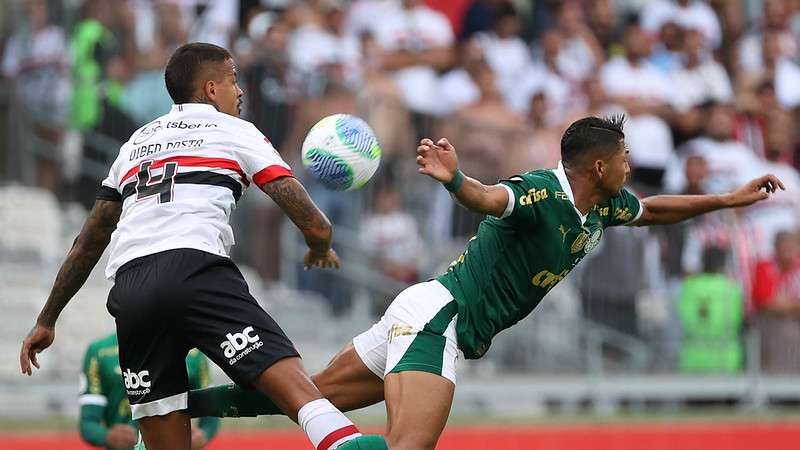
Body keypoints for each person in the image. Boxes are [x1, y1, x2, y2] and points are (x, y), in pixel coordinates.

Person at [183, 116, 785, 450]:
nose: (631, 166)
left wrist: (729, 199)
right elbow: (491, 198)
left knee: (304, 397)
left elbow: (655, 209)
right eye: (625, 156)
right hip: (438, 320)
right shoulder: (543, 192)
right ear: (599, 165)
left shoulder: (603, 205)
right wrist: (453, 179)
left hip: (421, 310)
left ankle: (172, 406)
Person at [19, 42, 367, 450]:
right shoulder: (236, 131)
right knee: (297, 390)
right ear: (210, 88)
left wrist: (47, 319)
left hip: (131, 291)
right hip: (194, 270)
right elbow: (313, 220)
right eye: (233, 80)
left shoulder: (134, 144)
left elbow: (89, 240)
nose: (240, 91)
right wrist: (319, 246)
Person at [79, 333, 219, 449]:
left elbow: (211, 411)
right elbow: (88, 423)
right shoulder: (99, 352)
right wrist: (107, 436)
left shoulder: (194, 354)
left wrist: (202, 434)